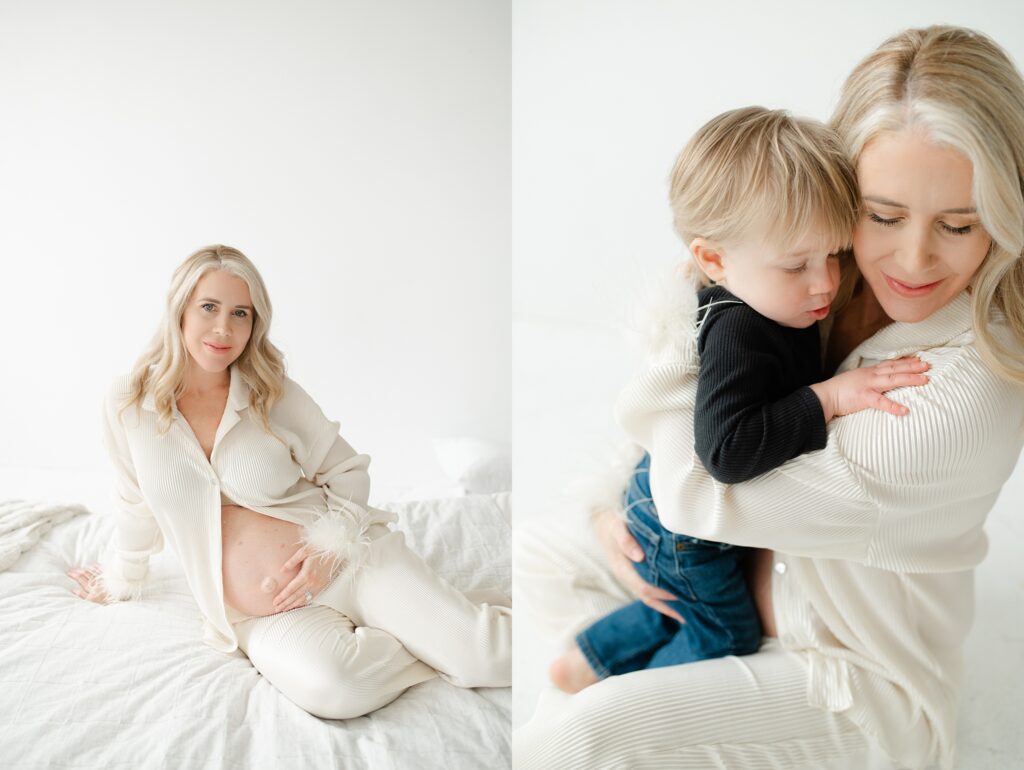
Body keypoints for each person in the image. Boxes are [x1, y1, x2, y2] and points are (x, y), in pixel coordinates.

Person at [514, 25, 1024, 770]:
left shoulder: (956, 401)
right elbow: (706, 396)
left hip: (844, 669)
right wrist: (614, 519)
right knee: (534, 556)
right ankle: (622, 669)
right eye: (881, 216)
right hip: (734, 568)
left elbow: (697, 488)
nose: (913, 260)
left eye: (959, 224)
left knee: (583, 736)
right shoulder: (812, 275)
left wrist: (660, 535)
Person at [549, 107, 931, 694]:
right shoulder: (738, 332)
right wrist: (826, 398)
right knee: (725, 635)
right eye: (797, 264)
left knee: (674, 607)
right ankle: (617, 696)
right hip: (681, 531)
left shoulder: (777, 295)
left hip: (668, 518)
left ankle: (585, 657)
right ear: (714, 261)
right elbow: (727, 453)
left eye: (835, 254)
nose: (825, 281)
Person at [66, 245, 511, 719]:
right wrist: (123, 576)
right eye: (209, 308)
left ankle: (449, 631)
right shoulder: (130, 402)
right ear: (180, 309)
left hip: (349, 564)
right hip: (263, 614)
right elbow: (134, 499)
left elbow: (348, 471)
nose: (224, 329)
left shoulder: (269, 392)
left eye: (241, 313)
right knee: (334, 690)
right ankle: (433, 630)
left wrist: (328, 550)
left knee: (490, 658)